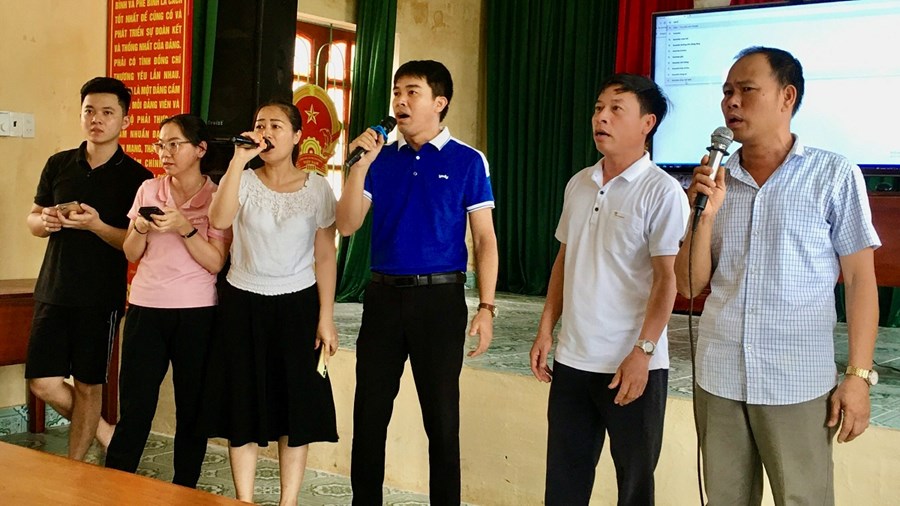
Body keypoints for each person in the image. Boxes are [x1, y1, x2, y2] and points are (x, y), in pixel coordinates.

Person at [674, 47, 880, 505]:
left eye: (747, 90)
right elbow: (688, 285)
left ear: (787, 97)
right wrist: (703, 216)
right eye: (727, 91)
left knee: (803, 498)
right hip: (720, 375)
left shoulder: (833, 174)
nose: (731, 102)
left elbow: (860, 280)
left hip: (796, 380)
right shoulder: (715, 179)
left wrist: (858, 375)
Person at [336, 59, 499, 506]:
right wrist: (358, 166)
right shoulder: (381, 159)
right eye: (396, 92)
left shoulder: (468, 160)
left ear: (439, 102)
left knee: (442, 420)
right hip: (383, 297)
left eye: (412, 92)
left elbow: (485, 239)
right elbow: (347, 225)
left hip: (440, 299)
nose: (400, 101)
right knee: (369, 414)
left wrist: (486, 307)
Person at [529, 74, 689, 505]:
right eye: (599, 108)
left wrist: (643, 352)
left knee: (634, 488)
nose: (601, 117)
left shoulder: (663, 192)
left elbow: (667, 279)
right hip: (573, 361)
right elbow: (564, 261)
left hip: (631, 367)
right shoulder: (579, 183)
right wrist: (546, 330)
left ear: (647, 123)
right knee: (563, 486)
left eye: (617, 109)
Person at [205, 100, 339, 505]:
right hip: (243, 303)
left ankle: (288, 501)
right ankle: (243, 499)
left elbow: (325, 256)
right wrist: (237, 161)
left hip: (298, 305)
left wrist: (326, 317)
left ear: (297, 136)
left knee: (294, 406)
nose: (266, 132)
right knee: (242, 404)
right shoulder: (243, 179)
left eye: (276, 125)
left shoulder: (317, 187)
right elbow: (218, 220)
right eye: (260, 124)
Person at [24, 76, 152, 461]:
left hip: (99, 297)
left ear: (125, 121)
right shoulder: (59, 163)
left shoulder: (139, 179)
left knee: (88, 385)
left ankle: (75, 469)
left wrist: (96, 226)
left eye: (107, 112)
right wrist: (46, 221)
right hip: (53, 288)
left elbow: (134, 245)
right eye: (89, 111)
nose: (96, 119)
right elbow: (32, 219)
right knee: (42, 381)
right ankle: (106, 433)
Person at [104, 114, 230, 487]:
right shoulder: (148, 189)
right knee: (136, 406)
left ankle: (185, 488)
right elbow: (131, 253)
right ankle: (113, 484)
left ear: (200, 149)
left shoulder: (217, 197)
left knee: (192, 408)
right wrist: (141, 228)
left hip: (197, 313)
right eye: (161, 144)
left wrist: (184, 228)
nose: (165, 152)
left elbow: (216, 262)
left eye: (175, 144)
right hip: (145, 309)